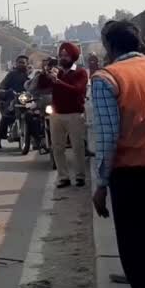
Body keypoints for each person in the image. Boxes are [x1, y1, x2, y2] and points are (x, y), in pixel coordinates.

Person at [91, 20, 145, 288]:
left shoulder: (107, 78)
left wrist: (100, 185)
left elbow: (108, 137)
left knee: (134, 244)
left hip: (132, 173)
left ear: (110, 47)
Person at [47, 42, 90, 187]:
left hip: (74, 115)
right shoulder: (56, 72)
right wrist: (44, 73)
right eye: (61, 55)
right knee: (57, 148)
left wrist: (58, 82)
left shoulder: (81, 72)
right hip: (56, 115)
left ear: (73, 57)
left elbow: (77, 90)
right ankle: (63, 177)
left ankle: (80, 176)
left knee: (78, 147)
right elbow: (41, 87)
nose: (63, 58)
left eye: (66, 55)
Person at [0, 55, 31, 150]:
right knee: (6, 116)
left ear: (27, 64)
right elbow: (2, 86)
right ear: (16, 63)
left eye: (23, 62)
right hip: (14, 99)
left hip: (28, 100)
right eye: (19, 62)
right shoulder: (11, 75)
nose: (21, 64)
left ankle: (40, 140)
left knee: (37, 117)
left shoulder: (31, 75)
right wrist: (4, 91)